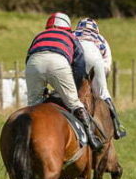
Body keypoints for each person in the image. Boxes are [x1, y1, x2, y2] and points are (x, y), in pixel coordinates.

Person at [25, 12, 103, 151]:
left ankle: (27, 138)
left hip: (33, 64)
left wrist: (40, 86)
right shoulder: (71, 37)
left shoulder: (39, 35)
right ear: (67, 27)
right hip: (58, 62)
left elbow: (29, 57)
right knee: (74, 103)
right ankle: (91, 138)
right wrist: (75, 85)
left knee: (33, 106)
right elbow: (79, 65)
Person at [74, 18, 127, 140]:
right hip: (96, 59)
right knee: (103, 93)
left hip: (76, 58)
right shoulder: (101, 38)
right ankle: (117, 126)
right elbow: (107, 66)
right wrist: (98, 83)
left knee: (71, 93)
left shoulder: (73, 34)